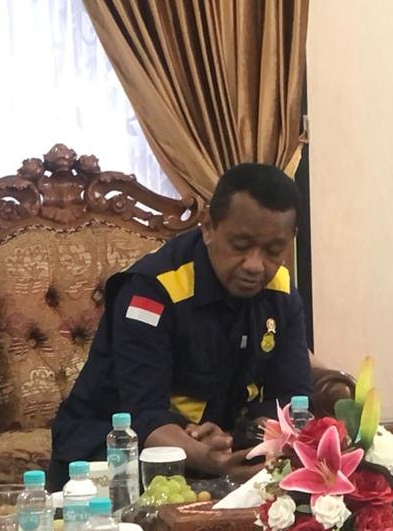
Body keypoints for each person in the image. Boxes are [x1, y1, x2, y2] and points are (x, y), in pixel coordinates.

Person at [49, 163, 313, 488]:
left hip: (212, 456)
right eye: (240, 245)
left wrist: (256, 436)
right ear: (208, 228)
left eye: (273, 250)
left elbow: (292, 400)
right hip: (110, 457)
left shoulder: (280, 291)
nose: (255, 265)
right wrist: (209, 459)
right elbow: (144, 416)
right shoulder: (153, 291)